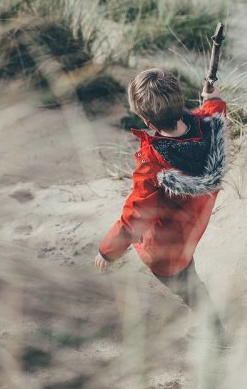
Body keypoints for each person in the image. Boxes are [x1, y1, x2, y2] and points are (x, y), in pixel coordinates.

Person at [93, 67, 227, 338]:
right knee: (189, 274)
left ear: (145, 119)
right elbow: (214, 111)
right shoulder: (208, 127)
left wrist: (109, 250)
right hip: (192, 227)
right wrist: (213, 98)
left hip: (165, 247)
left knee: (188, 285)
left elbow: (136, 214)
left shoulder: (153, 162)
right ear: (181, 101)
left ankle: (215, 335)